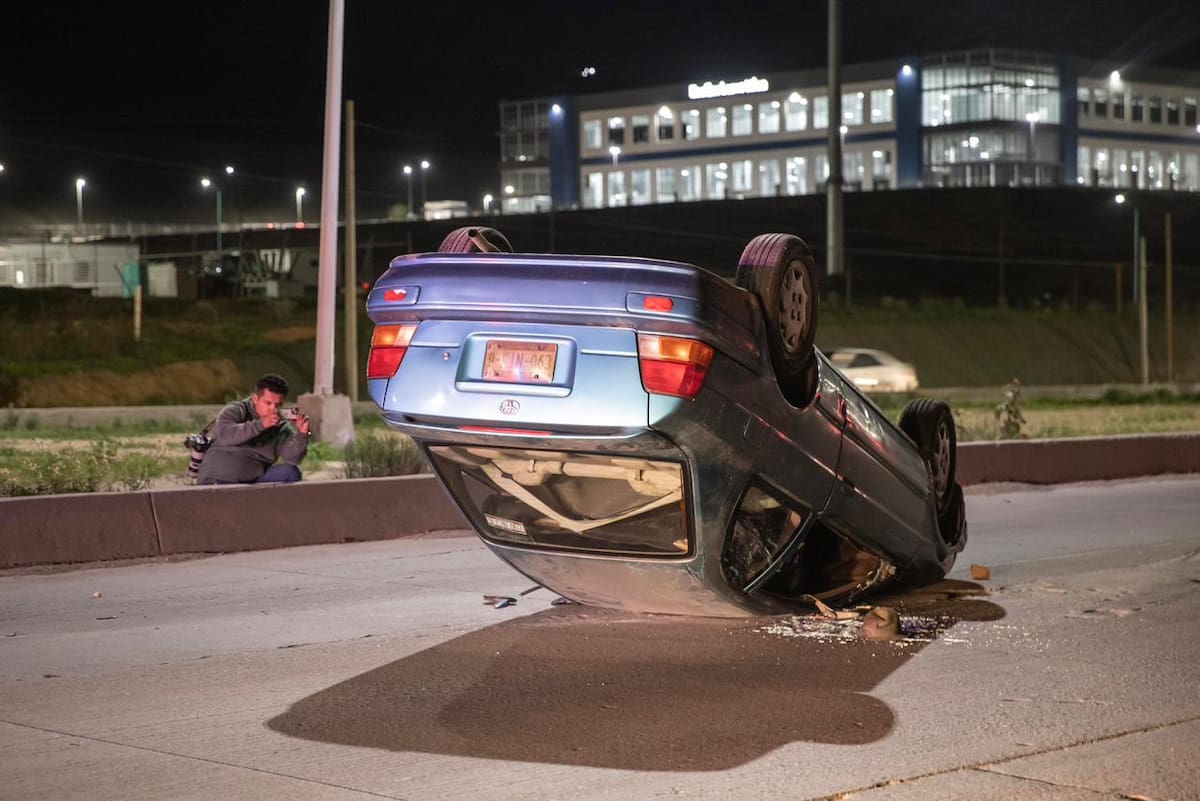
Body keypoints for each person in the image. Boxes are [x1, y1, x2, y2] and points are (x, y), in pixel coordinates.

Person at [196, 374, 311, 485]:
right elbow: (225, 435)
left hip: (254, 482)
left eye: (278, 405)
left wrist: (302, 434)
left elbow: (293, 459)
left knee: (290, 472)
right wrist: (261, 424)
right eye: (268, 403)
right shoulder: (236, 410)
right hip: (218, 479)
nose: (273, 409)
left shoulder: (281, 427)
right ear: (255, 399)